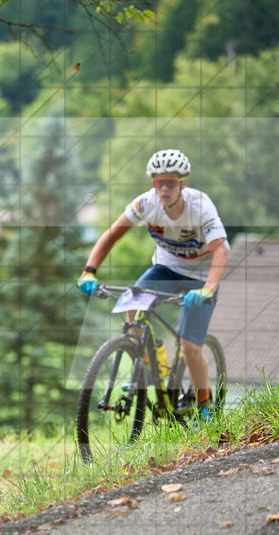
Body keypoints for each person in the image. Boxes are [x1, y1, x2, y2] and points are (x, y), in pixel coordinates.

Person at [77, 149, 229, 421]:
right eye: (158, 182)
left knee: (189, 345)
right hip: (167, 268)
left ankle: (205, 405)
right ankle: (145, 367)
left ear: (183, 183)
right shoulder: (145, 204)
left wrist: (208, 289)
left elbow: (220, 252)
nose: (164, 188)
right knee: (132, 300)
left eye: (170, 182)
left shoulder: (201, 206)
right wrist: (89, 271)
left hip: (203, 273)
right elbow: (110, 236)